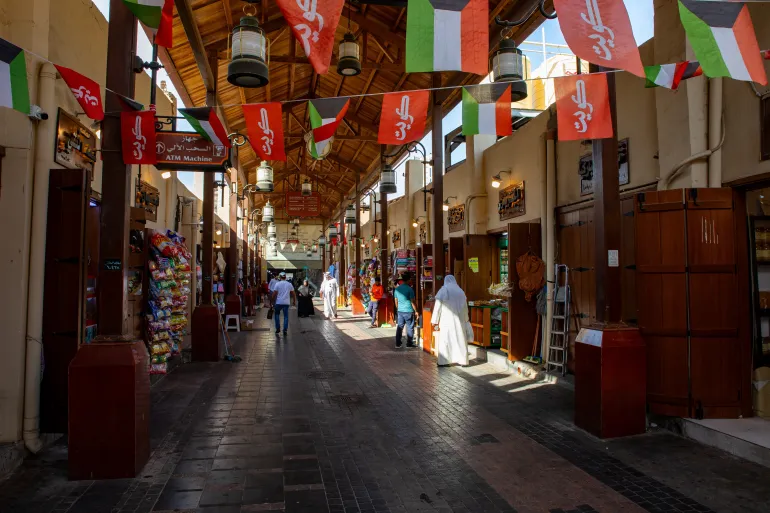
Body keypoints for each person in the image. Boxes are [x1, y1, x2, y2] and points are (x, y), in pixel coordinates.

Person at [431, 275, 470, 367]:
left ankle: (444, 362)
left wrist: (435, 320)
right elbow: (465, 307)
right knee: (460, 339)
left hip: (446, 320)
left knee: (445, 340)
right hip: (459, 320)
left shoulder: (444, 290)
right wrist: (466, 319)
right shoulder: (460, 291)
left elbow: (438, 306)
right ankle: (463, 361)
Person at [393, 273, 417, 348]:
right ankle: (409, 343)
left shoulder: (397, 289)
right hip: (408, 310)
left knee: (400, 327)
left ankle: (398, 343)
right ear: (408, 280)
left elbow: (396, 301)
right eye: (410, 279)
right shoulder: (410, 289)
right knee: (410, 327)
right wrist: (416, 311)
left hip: (400, 311)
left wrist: (398, 308)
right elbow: (412, 302)